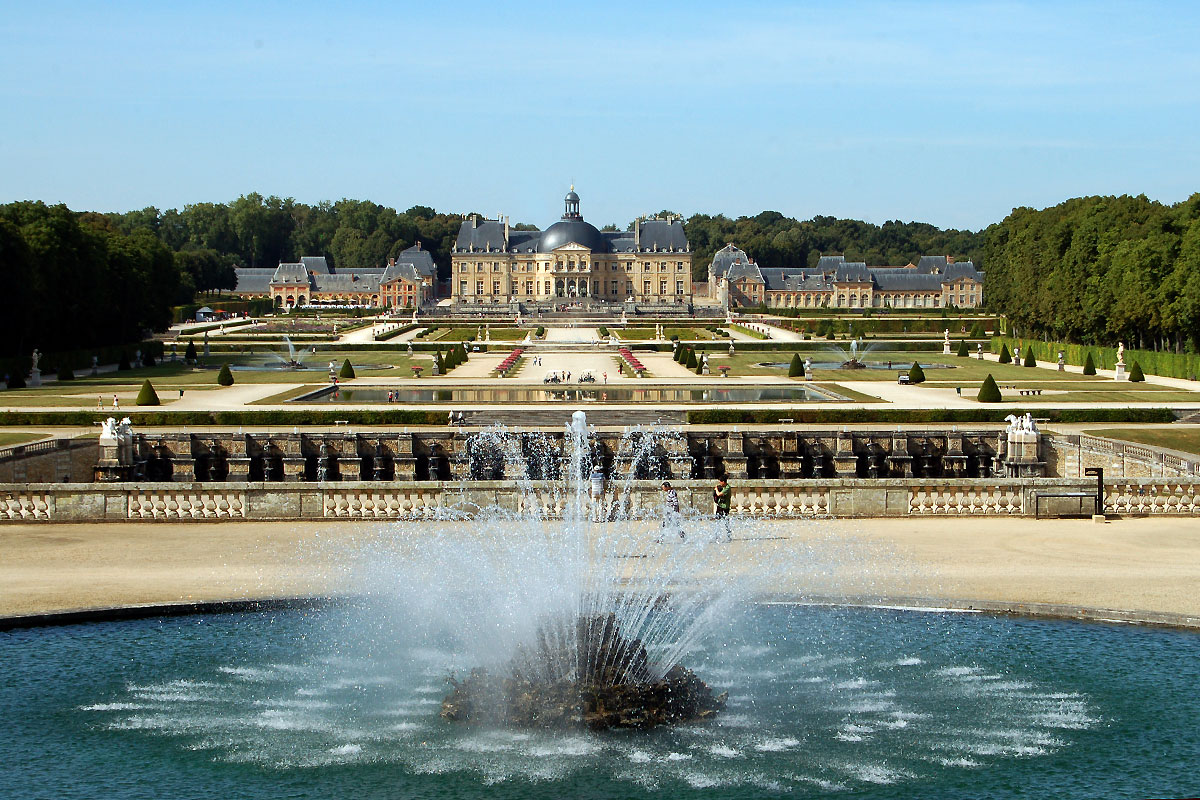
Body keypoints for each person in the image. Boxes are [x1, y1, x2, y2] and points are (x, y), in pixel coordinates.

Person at [712, 476, 733, 541]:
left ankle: (728, 535)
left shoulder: (727, 488)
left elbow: (719, 494)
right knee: (717, 521)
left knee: (726, 521)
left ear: (723, 482)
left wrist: (716, 490)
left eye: (720, 482)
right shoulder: (723, 487)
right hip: (720, 506)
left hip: (725, 507)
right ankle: (716, 535)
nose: (720, 483)